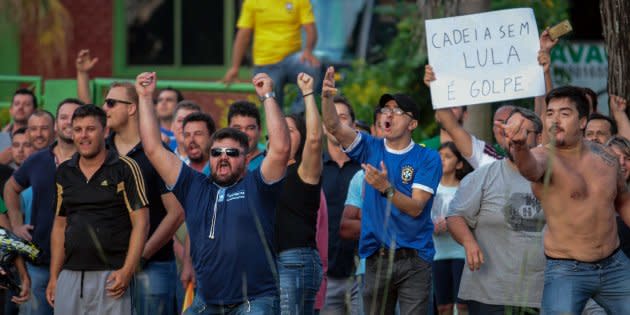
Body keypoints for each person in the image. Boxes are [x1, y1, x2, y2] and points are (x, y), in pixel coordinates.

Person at [136, 71, 290, 314]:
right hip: (206, 302)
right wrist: (145, 98)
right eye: (217, 153)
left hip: (255, 301)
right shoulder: (194, 186)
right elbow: (153, 149)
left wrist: (268, 96)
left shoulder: (258, 186)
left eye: (232, 153)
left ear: (246, 157)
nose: (223, 158)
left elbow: (281, 149)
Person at [321, 66, 442, 314]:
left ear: (413, 123)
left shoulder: (427, 158)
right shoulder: (369, 147)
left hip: (415, 259)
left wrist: (386, 188)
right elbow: (334, 127)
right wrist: (326, 97)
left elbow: (416, 208)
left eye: (397, 111)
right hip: (377, 259)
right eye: (385, 110)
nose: (389, 114)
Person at [499, 86, 630, 314]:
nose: (555, 120)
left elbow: (624, 201)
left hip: (615, 264)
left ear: (582, 121)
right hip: (567, 269)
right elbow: (529, 169)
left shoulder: (607, 157)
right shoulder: (543, 156)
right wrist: (519, 146)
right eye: (550, 114)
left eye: (564, 113)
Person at [45, 105, 149, 315]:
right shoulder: (64, 171)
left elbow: (142, 223)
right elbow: (59, 225)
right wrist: (54, 276)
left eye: (90, 129)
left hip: (112, 277)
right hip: (70, 275)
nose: (83, 136)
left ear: (105, 131)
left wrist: (127, 271)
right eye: (78, 129)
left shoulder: (125, 167)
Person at [447, 107, 545, 315]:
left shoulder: (554, 178)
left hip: (541, 294)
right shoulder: (482, 176)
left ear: (540, 137)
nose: (515, 137)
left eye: (524, 132)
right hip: (489, 293)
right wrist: (468, 242)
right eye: (511, 131)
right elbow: (455, 216)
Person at [102, 82, 185, 315]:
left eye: (110, 103)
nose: (104, 108)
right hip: (107, 266)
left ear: (131, 108)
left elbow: (176, 212)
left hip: (153, 266)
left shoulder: (157, 153)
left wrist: (141, 256)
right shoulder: (100, 153)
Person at [5, 99, 83, 315]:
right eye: (64, 117)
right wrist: (17, 224)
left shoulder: (91, 159)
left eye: (74, 116)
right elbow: (10, 188)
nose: (69, 122)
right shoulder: (38, 159)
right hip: (38, 264)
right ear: (57, 125)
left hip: (80, 268)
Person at [276, 72, 323, 314]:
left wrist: (307, 93)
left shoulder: (304, 169)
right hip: (269, 262)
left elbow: (316, 139)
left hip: (294, 260)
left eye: (290, 129)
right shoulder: (266, 171)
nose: (282, 131)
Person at [223, 0, 320, 113]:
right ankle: (277, 126)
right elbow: (243, 35)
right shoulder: (252, 2)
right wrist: (235, 67)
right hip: (265, 63)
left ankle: (297, 118)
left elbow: (311, 29)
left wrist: (308, 50)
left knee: (311, 68)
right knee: (273, 108)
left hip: (292, 59)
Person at [320, 95, 363, 315]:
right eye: (330, 117)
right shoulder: (313, 169)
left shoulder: (367, 168)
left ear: (354, 126)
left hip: (364, 273)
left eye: (342, 117)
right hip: (326, 278)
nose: (335, 122)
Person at [423, 65, 511, 169]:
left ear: (465, 115)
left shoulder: (480, 152)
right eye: (444, 107)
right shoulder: (421, 150)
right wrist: (436, 89)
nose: (448, 112)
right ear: (437, 114)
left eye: (454, 107)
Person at [431, 142, 472, 315]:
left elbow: (472, 218)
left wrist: (451, 223)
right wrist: (431, 227)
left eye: (447, 156)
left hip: (461, 253)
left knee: (462, 306)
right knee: (443, 307)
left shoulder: (466, 188)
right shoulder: (429, 187)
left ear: (460, 163)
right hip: (437, 253)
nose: (442, 160)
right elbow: (417, 216)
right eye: (439, 156)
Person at [227, 101, 266, 170]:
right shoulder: (217, 162)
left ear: (259, 130)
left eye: (250, 128)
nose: (243, 134)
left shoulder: (270, 163)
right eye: (237, 128)